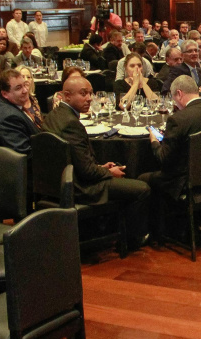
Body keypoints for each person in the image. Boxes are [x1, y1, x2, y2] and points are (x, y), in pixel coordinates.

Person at [43, 75, 150, 246]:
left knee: (121, 172)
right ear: (67, 96)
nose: (89, 98)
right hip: (80, 187)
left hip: (57, 183)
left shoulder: (52, 116)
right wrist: (108, 172)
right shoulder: (72, 124)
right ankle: (132, 239)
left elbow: (75, 160)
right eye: (83, 93)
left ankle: (109, 226)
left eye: (90, 93)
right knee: (142, 188)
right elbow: (87, 172)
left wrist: (101, 166)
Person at [137, 75, 201, 230]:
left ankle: (157, 231)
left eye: (174, 98)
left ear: (179, 93)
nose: (175, 103)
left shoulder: (178, 119)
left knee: (142, 178)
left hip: (186, 181)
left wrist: (154, 141)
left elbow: (163, 159)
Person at [0, 69, 39, 156]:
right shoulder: (10, 118)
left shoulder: (6, 105)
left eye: (25, 85)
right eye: (18, 88)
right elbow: (23, 155)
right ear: (5, 94)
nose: (25, 90)